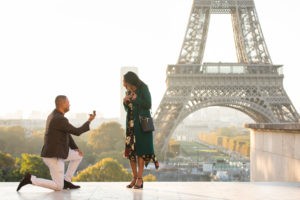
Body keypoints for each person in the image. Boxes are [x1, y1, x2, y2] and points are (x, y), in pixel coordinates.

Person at [16, 95, 96, 191]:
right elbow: (77, 132)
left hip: (58, 152)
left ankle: (67, 181)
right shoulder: (59, 119)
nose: (69, 104)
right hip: (54, 156)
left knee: (78, 155)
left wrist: (75, 148)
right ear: (62, 104)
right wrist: (89, 121)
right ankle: (31, 179)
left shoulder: (54, 115)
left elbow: (67, 134)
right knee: (58, 187)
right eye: (68, 103)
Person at [123, 71, 159, 189]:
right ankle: (134, 177)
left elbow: (148, 104)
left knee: (141, 152)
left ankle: (140, 178)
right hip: (131, 124)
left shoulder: (144, 88)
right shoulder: (128, 91)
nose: (123, 84)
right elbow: (128, 109)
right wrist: (125, 102)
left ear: (130, 81)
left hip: (143, 124)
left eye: (124, 82)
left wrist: (136, 99)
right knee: (131, 153)